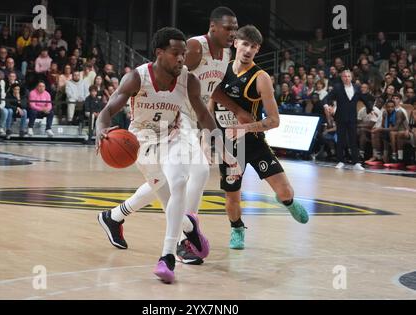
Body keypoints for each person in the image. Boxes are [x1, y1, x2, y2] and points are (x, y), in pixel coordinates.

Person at [95, 27, 240, 283]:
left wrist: (225, 151)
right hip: (141, 143)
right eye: (176, 53)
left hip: (171, 138)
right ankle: (188, 227)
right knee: (167, 198)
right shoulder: (137, 78)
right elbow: (107, 111)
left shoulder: (188, 80)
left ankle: (167, 256)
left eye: (184, 53)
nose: (182, 58)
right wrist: (101, 130)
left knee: (180, 181)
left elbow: (205, 116)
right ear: (159, 53)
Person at [210, 25, 309, 250]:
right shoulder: (218, 72)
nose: (248, 50)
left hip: (253, 142)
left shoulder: (261, 77)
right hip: (229, 146)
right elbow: (209, 107)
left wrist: (246, 127)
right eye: (245, 44)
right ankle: (237, 229)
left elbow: (274, 121)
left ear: (257, 50)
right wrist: (209, 138)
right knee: (233, 197)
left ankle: (287, 202)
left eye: (253, 47)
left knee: (285, 191)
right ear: (235, 42)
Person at [323, 70, 373, 170]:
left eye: (348, 76)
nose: (346, 78)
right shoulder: (337, 87)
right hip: (340, 117)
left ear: (351, 77)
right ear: (342, 78)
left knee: (353, 140)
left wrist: (370, 109)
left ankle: (356, 162)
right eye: (344, 76)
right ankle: (340, 161)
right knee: (341, 139)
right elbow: (327, 98)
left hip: (352, 117)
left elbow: (364, 99)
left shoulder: (357, 87)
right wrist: (326, 106)